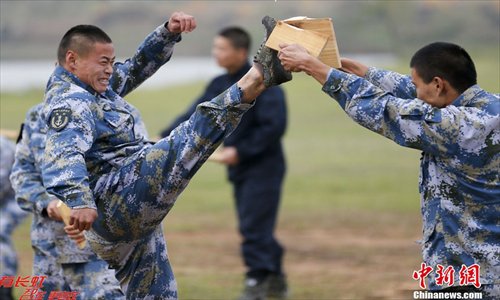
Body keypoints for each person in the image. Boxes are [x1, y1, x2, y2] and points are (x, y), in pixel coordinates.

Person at [40, 12, 291, 299]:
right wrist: (78, 199)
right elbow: (63, 152)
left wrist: (167, 34)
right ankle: (258, 75)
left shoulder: (94, 85)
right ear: (72, 60)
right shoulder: (69, 100)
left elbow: (135, 68)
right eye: (103, 62)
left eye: (111, 62)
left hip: (129, 221)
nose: (110, 70)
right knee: (186, 139)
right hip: (115, 202)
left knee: (157, 294)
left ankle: (260, 76)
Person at [278, 41, 499, 298]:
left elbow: (385, 110)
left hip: (469, 276)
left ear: (439, 84)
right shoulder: (486, 108)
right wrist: (358, 71)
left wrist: (316, 69)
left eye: (418, 85)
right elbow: (409, 90)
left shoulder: (461, 126)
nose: (414, 91)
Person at [161, 26, 288, 300]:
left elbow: (273, 128)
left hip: (264, 167)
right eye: (214, 48)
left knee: (253, 226)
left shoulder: (266, 82)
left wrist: (240, 151)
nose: (215, 53)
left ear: (241, 52)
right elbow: (194, 113)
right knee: (254, 224)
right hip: (239, 168)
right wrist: (164, 137)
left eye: (221, 48)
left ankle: (257, 280)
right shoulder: (219, 83)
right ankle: (275, 279)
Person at [10, 103, 126, 299]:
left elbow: (131, 183)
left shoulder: (120, 116)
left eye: (110, 68)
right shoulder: (37, 116)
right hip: (49, 255)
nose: (107, 69)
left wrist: (87, 210)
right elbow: (22, 174)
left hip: (99, 259)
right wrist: (47, 204)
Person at [0, 135, 29, 300]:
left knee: (0, 231)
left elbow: (2, 185)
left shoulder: (2, 148)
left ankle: (5, 287)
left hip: (19, 197)